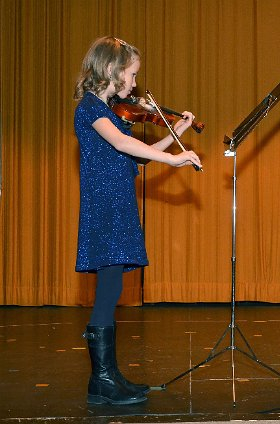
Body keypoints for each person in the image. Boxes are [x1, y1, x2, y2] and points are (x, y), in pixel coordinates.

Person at [73, 36, 202, 405]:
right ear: (111, 71)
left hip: (118, 206)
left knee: (112, 291)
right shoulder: (90, 109)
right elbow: (123, 144)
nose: (134, 83)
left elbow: (140, 155)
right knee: (108, 291)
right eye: (131, 75)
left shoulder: (110, 112)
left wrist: (176, 134)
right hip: (105, 209)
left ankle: (105, 379)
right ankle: (102, 379)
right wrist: (176, 160)